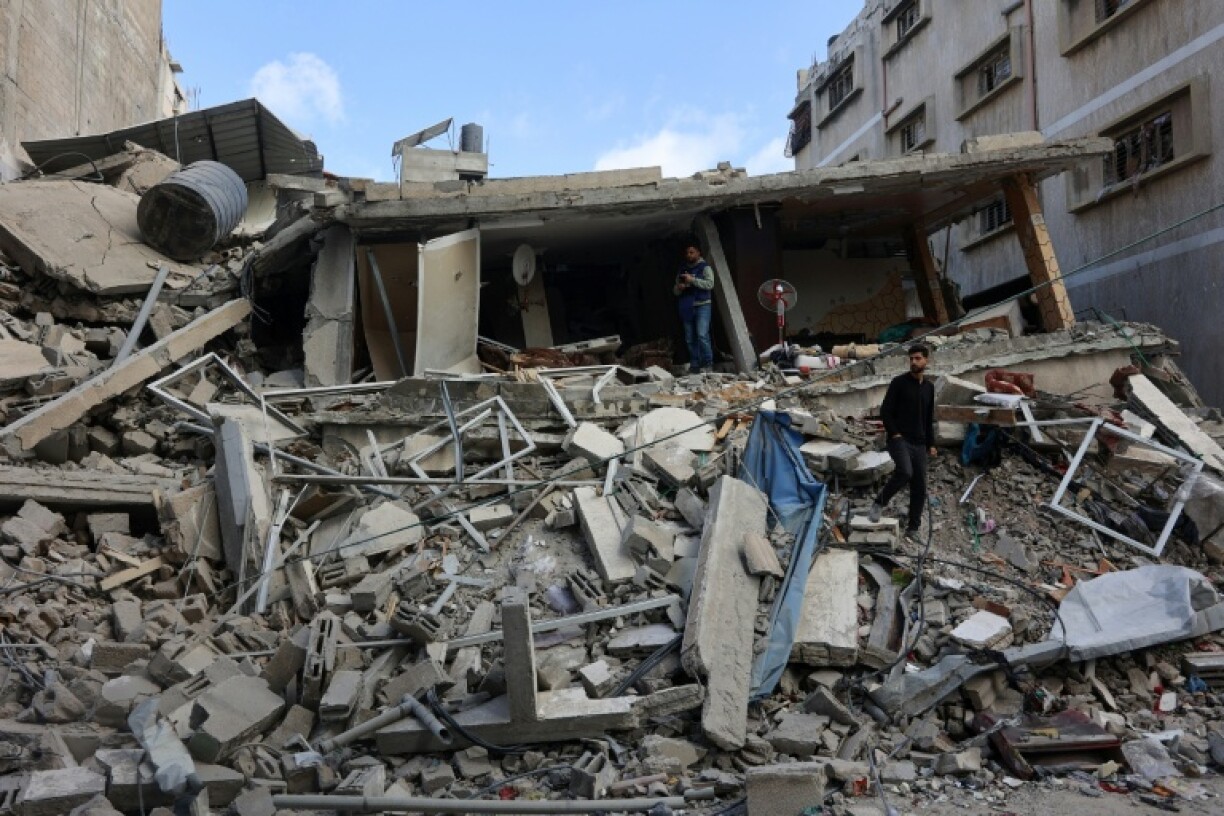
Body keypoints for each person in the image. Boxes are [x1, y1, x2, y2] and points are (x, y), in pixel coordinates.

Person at [869, 343, 937, 538]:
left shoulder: (929, 388)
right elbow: (886, 411)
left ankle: (913, 527)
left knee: (920, 486)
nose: (913, 362)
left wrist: (931, 444)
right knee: (905, 472)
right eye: (911, 358)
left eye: (918, 358)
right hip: (900, 439)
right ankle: (879, 502)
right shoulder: (899, 383)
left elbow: (928, 418)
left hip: (920, 443)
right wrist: (895, 433)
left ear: (926, 360)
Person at [673, 241, 715, 373]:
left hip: (703, 305)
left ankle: (708, 364)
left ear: (698, 252)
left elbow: (710, 284)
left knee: (702, 335)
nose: (689, 255)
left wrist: (693, 280)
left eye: (692, 252)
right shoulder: (682, 270)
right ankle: (695, 365)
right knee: (690, 338)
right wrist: (680, 288)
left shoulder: (705, 268)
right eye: (687, 253)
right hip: (686, 306)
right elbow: (675, 291)